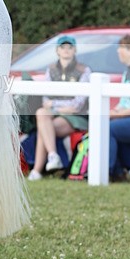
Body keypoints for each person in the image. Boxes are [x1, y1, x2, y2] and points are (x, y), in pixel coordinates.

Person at [28, 35, 91, 181]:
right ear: (57, 50)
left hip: (77, 118)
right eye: (63, 47)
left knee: (44, 128)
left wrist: (55, 105)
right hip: (56, 115)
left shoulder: (84, 70)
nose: (66, 50)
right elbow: (45, 100)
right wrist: (57, 107)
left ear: (75, 50)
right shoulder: (50, 70)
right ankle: (52, 156)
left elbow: (77, 105)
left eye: (70, 47)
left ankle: (37, 170)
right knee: (42, 113)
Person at [109, 34, 130, 181]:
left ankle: (112, 171)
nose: (118, 51)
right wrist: (115, 111)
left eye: (120, 48)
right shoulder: (127, 72)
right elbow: (125, 101)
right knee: (105, 124)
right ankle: (117, 171)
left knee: (109, 128)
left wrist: (120, 114)